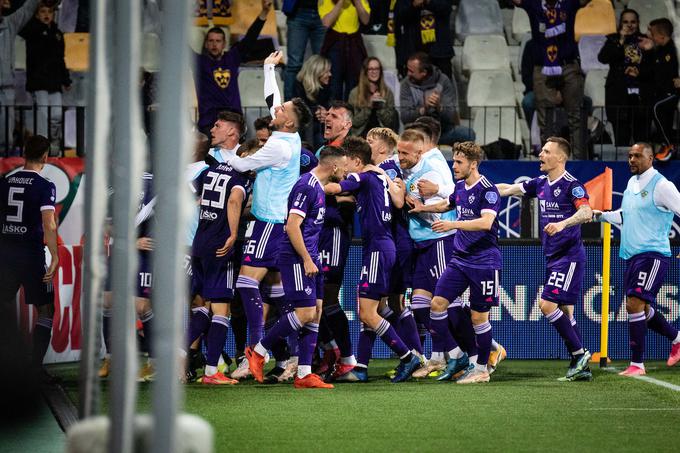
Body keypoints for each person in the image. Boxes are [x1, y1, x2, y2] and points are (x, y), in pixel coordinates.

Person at [227, 51, 312, 378]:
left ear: (288, 120)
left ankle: (255, 353)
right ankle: (288, 356)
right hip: (278, 223)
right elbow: (272, 98)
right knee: (278, 291)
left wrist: (220, 154)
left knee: (247, 284)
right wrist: (266, 66)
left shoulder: (279, 146)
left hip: (270, 223)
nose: (277, 108)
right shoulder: (287, 134)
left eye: (283, 109)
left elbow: (242, 164)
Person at [247, 146, 348, 389]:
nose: (346, 171)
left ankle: (304, 373)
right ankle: (258, 352)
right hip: (295, 258)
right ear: (333, 166)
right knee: (304, 313)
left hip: (312, 257)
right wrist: (306, 258)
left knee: (317, 310)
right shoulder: (306, 186)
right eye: (344, 166)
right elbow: (292, 226)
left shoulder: (319, 188)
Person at [325, 136, 422, 383]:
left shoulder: (363, 176)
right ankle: (361, 367)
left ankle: (407, 356)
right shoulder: (379, 175)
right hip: (383, 247)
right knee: (372, 311)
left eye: (346, 163)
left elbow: (335, 188)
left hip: (378, 249)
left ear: (357, 161)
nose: (344, 169)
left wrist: (312, 182)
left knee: (367, 313)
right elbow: (398, 200)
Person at [496, 137, 593, 381]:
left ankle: (580, 354)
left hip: (569, 256)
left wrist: (562, 224)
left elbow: (586, 211)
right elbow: (508, 189)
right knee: (566, 311)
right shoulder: (540, 183)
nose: (540, 154)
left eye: (546, 151)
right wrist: (479, 187)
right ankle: (581, 366)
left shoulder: (572, 185)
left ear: (560, 157)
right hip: (553, 257)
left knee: (547, 305)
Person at [409, 142, 501, 384]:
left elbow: (485, 223)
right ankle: (440, 356)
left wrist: (452, 225)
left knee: (479, 318)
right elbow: (447, 204)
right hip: (460, 260)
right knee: (437, 304)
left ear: (474, 164)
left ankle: (481, 368)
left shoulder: (488, 190)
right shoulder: (460, 187)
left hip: (484, 262)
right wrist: (423, 208)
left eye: (459, 162)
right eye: (454, 161)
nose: (454, 166)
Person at [594, 142, 680, 376]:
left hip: (652, 254)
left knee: (634, 303)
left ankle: (637, 364)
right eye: (630, 156)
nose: (632, 159)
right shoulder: (632, 183)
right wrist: (598, 216)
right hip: (632, 255)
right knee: (641, 307)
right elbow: (625, 217)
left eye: (637, 156)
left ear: (651, 158)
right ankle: (677, 339)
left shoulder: (662, 185)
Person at [191, 150, 252, 385]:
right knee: (221, 310)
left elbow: (196, 199)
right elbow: (235, 199)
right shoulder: (241, 177)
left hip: (200, 241)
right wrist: (233, 233)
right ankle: (210, 372)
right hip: (220, 246)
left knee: (203, 306)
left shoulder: (210, 171)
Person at [0, 135, 58, 371]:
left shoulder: (4, 182)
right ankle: (34, 369)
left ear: (24, 153)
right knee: (45, 311)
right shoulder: (45, 186)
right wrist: (54, 255)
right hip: (32, 257)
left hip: (5, 256)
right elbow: (49, 224)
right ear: (45, 157)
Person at [514, 0, 589, 160]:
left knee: (576, 115)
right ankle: (549, 162)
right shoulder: (534, 4)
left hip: (568, 65)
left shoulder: (569, 3)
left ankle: (580, 162)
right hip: (542, 68)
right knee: (545, 119)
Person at [315, 101, 355, 376]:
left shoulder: (350, 153)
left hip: (336, 230)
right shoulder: (322, 151)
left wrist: (321, 189)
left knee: (328, 296)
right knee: (313, 296)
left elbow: (350, 196)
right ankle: (329, 352)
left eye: (335, 115)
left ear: (347, 124)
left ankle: (347, 358)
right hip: (317, 229)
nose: (327, 118)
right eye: (327, 114)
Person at [192, 0, 272, 136]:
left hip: (234, 119)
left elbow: (250, 38)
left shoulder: (231, 58)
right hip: (209, 122)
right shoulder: (200, 62)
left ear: (224, 44)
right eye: (210, 41)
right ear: (205, 44)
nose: (214, 45)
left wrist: (264, 13)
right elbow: (180, 46)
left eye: (218, 41)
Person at [19, 1, 72, 154]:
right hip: (39, 83)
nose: (47, 15)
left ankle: (54, 148)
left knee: (56, 115)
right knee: (42, 118)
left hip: (54, 83)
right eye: (42, 11)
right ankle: (42, 151)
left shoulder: (58, 34)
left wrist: (66, 79)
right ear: (36, 14)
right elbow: (24, 29)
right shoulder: (32, 30)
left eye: (49, 11)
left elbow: (61, 59)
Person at [597, 9, 650, 146]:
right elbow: (603, 58)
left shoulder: (645, 40)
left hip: (641, 97)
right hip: (619, 96)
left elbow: (653, 69)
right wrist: (620, 41)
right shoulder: (614, 39)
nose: (629, 25)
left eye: (633, 22)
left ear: (638, 23)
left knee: (641, 141)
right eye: (626, 22)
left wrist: (640, 72)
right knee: (621, 141)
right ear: (620, 24)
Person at [400, 52, 474, 146]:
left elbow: (450, 115)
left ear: (424, 73)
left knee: (468, 134)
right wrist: (424, 109)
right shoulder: (406, 84)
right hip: (417, 133)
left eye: (411, 71)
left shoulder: (443, 81)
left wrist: (439, 107)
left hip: (443, 131)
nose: (408, 74)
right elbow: (405, 117)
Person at [0, 0, 40, 152]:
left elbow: (28, 9)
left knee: (6, 137)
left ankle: (4, 170)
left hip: (6, 89)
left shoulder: (10, 23)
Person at [639, 18, 679, 159]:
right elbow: (649, 72)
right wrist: (648, 52)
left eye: (652, 33)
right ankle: (666, 145)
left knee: (657, 107)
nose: (649, 36)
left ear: (661, 36)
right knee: (655, 108)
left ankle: (670, 146)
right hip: (661, 93)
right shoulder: (658, 51)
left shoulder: (674, 50)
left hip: (673, 93)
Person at [319, 0, 371, 101]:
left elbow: (365, 20)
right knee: (334, 85)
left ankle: (350, 114)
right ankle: (333, 113)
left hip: (354, 43)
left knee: (354, 84)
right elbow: (326, 22)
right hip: (335, 43)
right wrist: (340, 2)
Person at [393, 0, 454, 79]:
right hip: (414, 51)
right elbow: (398, 17)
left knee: (443, 87)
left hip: (439, 52)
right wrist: (413, 5)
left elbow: (446, 8)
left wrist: (428, 2)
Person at [282, 0, 327, 101]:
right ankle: (288, 106)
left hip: (324, 10)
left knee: (322, 65)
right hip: (297, 11)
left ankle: (320, 107)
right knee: (294, 64)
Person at [348, 57, 399, 136]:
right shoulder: (355, 93)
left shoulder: (387, 93)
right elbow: (353, 122)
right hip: (361, 136)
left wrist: (380, 105)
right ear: (365, 72)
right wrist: (368, 106)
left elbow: (390, 123)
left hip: (382, 137)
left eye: (377, 69)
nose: (374, 72)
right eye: (370, 69)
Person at [294, 54, 332, 149]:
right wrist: (317, 111)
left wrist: (325, 112)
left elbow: (331, 105)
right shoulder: (298, 86)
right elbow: (299, 110)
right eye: (326, 72)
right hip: (304, 129)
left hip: (319, 126)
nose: (330, 74)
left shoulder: (326, 87)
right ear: (317, 72)